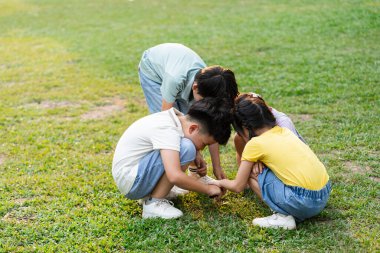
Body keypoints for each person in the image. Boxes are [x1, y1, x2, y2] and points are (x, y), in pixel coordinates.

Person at [209, 93, 331, 229]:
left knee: (250, 173)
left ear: (244, 126)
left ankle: (282, 216)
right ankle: (293, 211)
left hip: (303, 202)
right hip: (324, 194)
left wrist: (217, 182)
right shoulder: (284, 131)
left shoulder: (255, 143)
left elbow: (238, 186)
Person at [112, 98, 232, 219]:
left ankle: (155, 193)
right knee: (187, 148)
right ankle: (153, 204)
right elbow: (174, 175)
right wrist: (207, 189)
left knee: (188, 147)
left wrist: (196, 159)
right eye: (204, 144)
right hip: (132, 181)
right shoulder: (167, 129)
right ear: (193, 128)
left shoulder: (178, 120)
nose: (202, 148)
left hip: (134, 175)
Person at [138, 42, 239, 183]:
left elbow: (211, 126)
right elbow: (166, 120)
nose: (207, 106)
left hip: (178, 68)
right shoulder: (175, 79)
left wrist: (217, 167)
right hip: (153, 69)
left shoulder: (210, 83)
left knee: (193, 127)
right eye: (205, 102)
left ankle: (194, 173)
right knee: (170, 128)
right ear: (195, 87)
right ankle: (166, 176)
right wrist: (195, 153)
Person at [234, 93, 305, 166]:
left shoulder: (284, 125)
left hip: (291, 162)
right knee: (238, 138)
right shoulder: (255, 118)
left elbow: (293, 155)